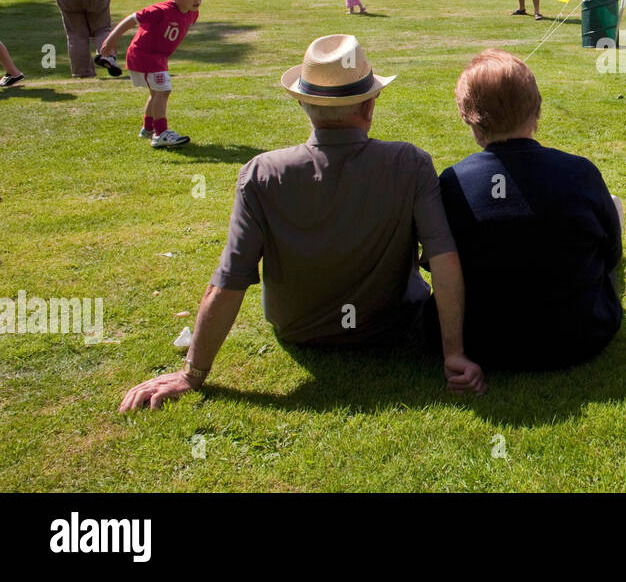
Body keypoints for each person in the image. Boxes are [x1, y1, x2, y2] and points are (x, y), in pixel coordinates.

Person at [119, 34, 484, 410]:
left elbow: (229, 281)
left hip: (300, 331)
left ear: (302, 103)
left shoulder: (262, 174)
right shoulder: (410, 164)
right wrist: (453, 353)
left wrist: (192, 373)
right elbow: (442, 257)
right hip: (392, 326)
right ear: (369, 105)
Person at [439, 49, 623, 368]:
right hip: (581, 335)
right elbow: (611, 255)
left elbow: (437, 265)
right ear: (536, 112)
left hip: (482, 341)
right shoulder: (580, 173)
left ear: (470, 120)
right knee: (614, 210)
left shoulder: (453, 183)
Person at [99, 0, 203, 149]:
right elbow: (132, 19)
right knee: (163, 91)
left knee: (157, 93)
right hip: (144, 55)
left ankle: (148, 128)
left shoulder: (192, 14)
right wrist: (111, 39)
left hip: (158, 57)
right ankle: (160, 133)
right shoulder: (160, 11)